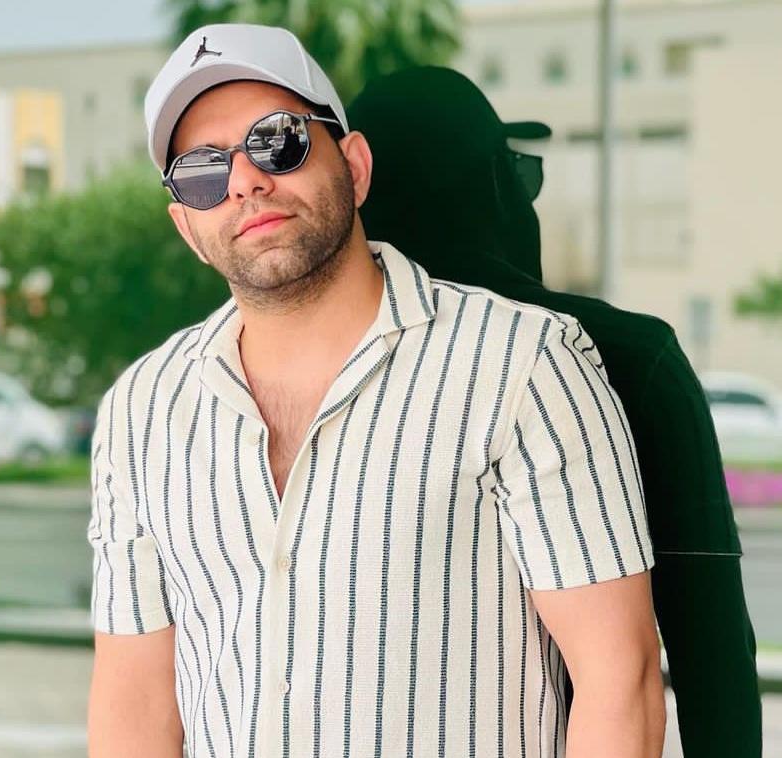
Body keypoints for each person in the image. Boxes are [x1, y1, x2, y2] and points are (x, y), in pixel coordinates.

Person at [87, 23, 665, 758]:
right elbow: (134, 704)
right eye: (202, 171)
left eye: (278, 141)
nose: (245, 181)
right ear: (186, 225)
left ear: (355, 167)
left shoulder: (522, 364)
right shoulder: (142, 409)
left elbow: (621, 682)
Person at [347, 64, 764, 757]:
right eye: (519, 173)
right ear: (496, 186)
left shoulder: (307, 370)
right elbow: (713, 650)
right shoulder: (628, 358)